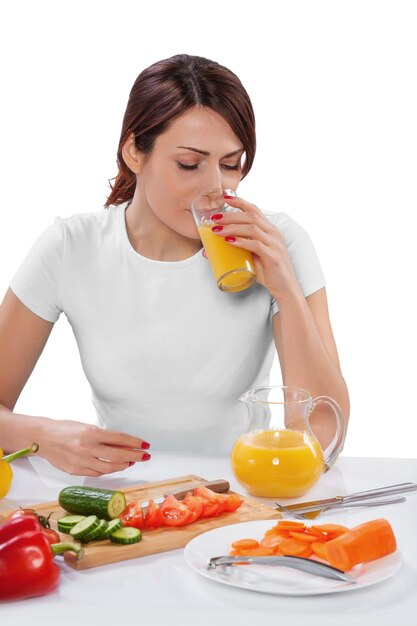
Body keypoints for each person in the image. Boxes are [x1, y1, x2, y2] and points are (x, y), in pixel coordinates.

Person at [0, 54, 349, 476]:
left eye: (230, 164)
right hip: (123, 497)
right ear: (134, 152)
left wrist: (285, 287)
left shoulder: (277, 242)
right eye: (189, 164)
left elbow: (325, 440)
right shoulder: (70, 247)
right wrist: (45, 435)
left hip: (241, 493)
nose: (216, 189)